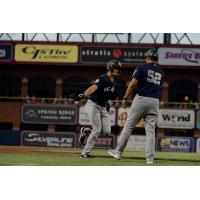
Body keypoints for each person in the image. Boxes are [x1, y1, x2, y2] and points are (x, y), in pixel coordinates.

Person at [108, 49, 165, 164]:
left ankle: (118, 152)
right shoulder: (161, 71)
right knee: (150, 131)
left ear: (147, 57)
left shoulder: (142, 67)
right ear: (157, 59)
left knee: (129, 126)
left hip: (141, 99)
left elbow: (133, 83)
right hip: (155, 102)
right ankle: (149, 158)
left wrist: (125, 97)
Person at [78, 60, 122, 158]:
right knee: (97, 130)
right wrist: (84, 94)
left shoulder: (114, 81)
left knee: (106, 132)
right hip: (93, 104)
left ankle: (86, 131)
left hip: (102, 107)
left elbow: (106, 94)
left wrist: (106, 103)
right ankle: (85, 153)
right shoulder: (102, 78)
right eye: (116, 68)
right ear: (111, 68)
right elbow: (93, 87)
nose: (118, 70)